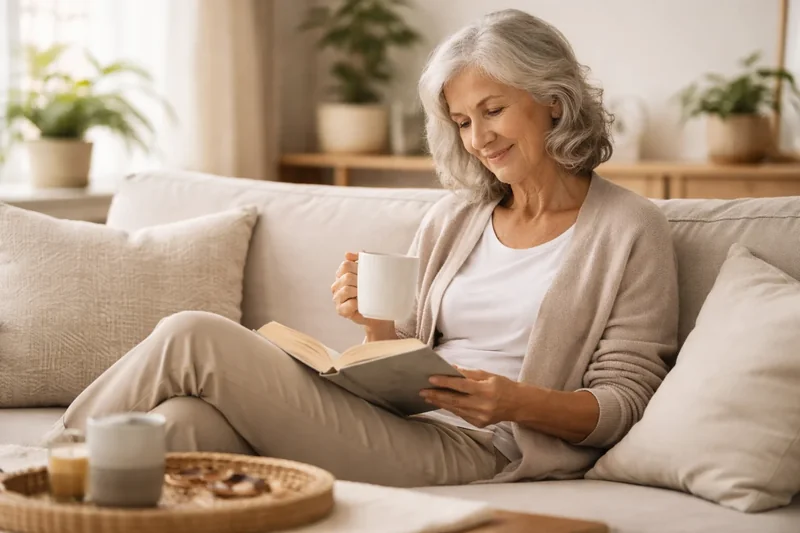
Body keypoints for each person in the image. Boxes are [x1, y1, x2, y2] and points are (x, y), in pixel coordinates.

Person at [44, 9, 678, 487]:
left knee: (192, 335)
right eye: (461, 122)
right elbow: (402, 367)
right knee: (184, 425)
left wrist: (511, 401)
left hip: (485, 447)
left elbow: (625, 404)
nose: (479, 137)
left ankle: (38, 472)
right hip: (401, 424)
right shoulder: (456, 218)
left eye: (494, 110)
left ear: (554, 103)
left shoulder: (629, 229)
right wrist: (374, 327)